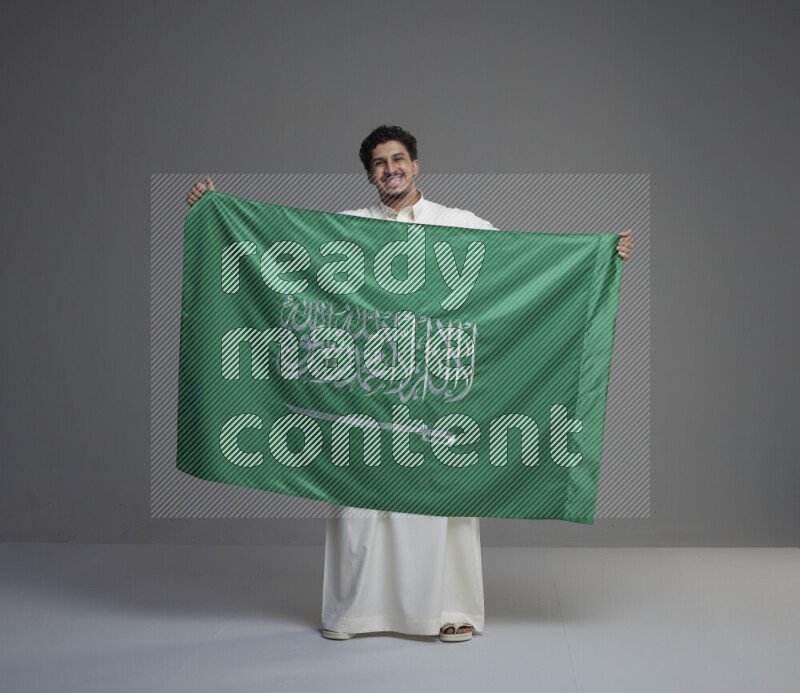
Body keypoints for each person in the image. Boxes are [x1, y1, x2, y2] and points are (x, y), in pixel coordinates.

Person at [185, 125, 634, 644]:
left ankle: (451, 610)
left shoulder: (458, 226)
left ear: (416, 164)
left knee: (442, 494)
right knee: (359, 499)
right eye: (378, 163)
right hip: (363, 388)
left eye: (398, 159)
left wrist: (598, 258)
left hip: (434, 388)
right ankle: (354, 612)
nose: (390, 169)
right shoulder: (345, 231)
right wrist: (214, 212)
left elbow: (519, 268)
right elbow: (281, 254)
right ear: (368, 174)